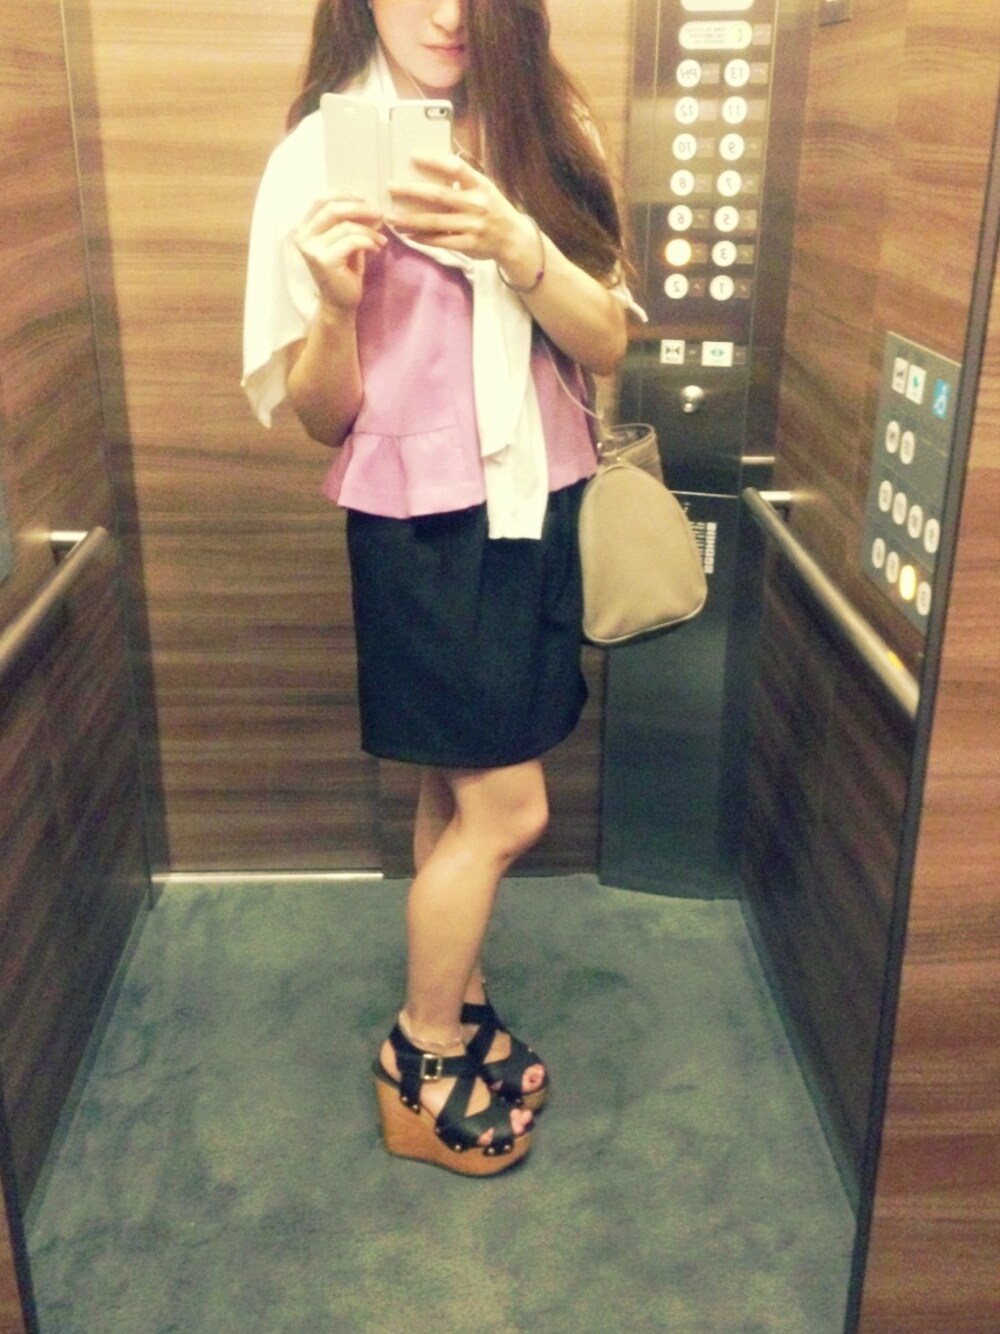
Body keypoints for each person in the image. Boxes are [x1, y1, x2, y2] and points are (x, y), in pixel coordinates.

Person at [242, 0, 636, 1176]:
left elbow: (606, 341)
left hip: (538, 500)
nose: (447, 12)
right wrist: (335, 301)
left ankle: (458, 1000)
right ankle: (420, 1055)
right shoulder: (316, 158)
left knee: (453, 784)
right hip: (418, 521)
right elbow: (323, 417)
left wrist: (516, 240)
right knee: (509, 809)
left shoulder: (549, 128)